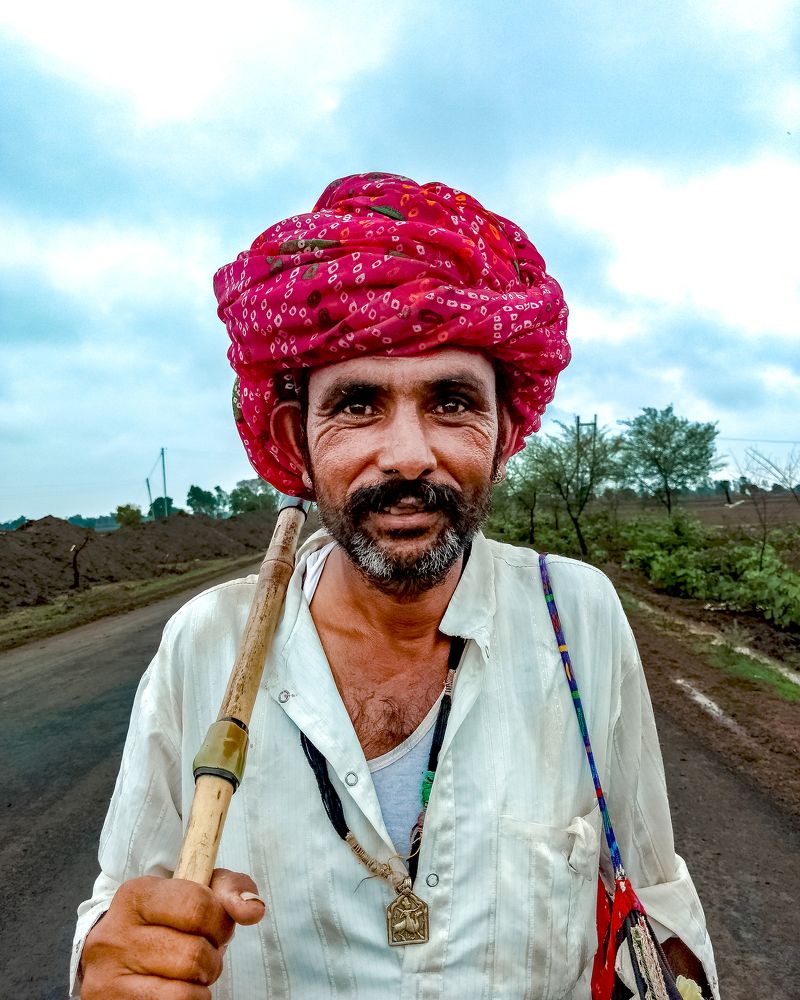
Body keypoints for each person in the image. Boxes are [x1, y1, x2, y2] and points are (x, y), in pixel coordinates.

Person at [73, 172, 719, 999]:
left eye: (451, 402)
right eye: (357, 405)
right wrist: (112, 960)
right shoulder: (208, 643)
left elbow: (655, 893)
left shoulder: (576, 615)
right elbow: (123, 911)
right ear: (294, 440)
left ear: (506, 431)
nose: (409, 454)